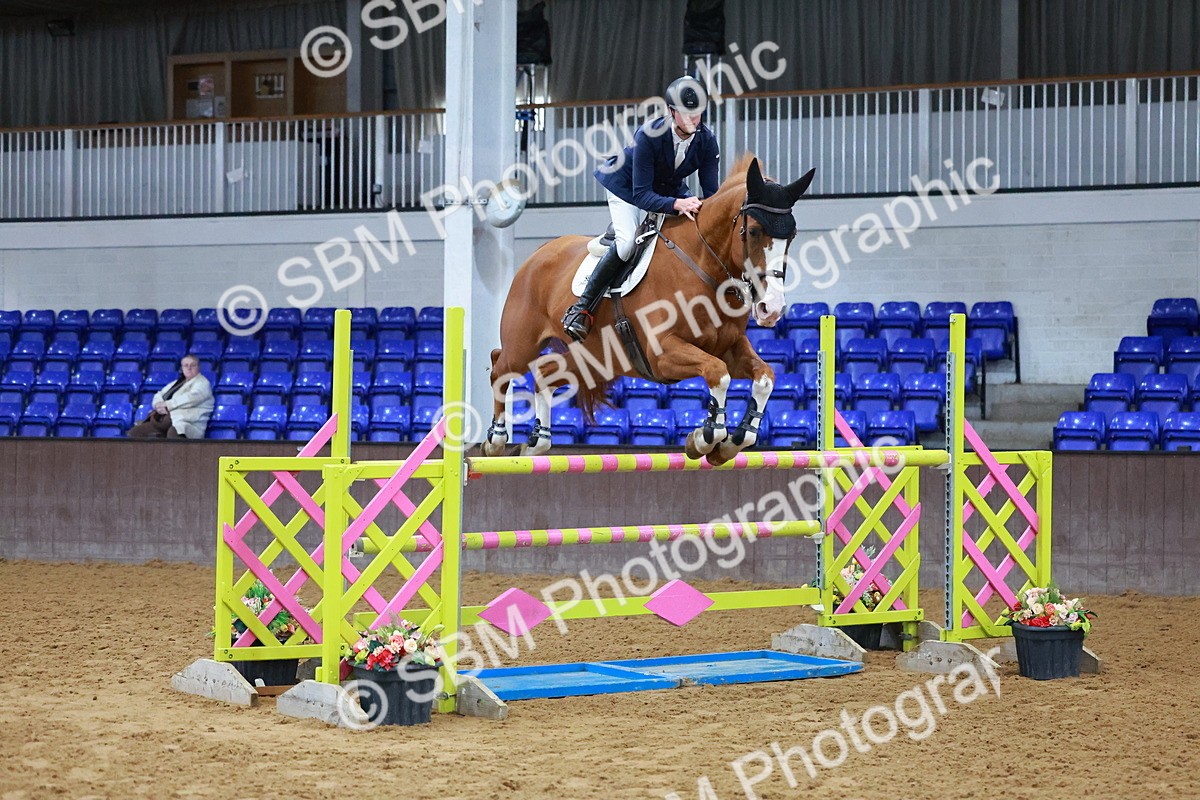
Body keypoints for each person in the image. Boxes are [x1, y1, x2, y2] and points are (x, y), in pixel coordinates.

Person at [562, 74, 721, 342]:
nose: (693, 119)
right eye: (686, 114)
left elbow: (712, 196)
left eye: (698, 113)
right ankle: (582, 309)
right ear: (671, 112)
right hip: (626, 189)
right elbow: (642, 194)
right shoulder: (649, 135)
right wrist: (676, 203)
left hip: (666, 188)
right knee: (627, 244)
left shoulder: (707, 141)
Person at [127, 354, 214, 439]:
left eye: (192, 365)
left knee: (173, 433)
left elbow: (191, 399)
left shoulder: (203, 383)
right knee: (135, 432)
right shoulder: (177, 383)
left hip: (189, 423)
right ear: (182, 368)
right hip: (166, 419)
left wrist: (167, 405)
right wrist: (158, 405)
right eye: (185, 365)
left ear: (198, 367)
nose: (189, 368)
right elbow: (159, 394)